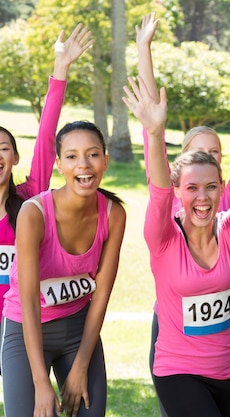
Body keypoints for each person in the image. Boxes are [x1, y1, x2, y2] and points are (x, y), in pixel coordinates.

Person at [124, 17, 230, 417]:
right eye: (193, 184)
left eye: (214, 166)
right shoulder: (164, 225)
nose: (203, 194)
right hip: (177, 356)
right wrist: (153, 125)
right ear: (180, 179)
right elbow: (159, 174)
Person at [1, 117, 126, 417]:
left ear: (105, 161)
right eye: (72, 156)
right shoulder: (34, 214)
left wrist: (81, 365)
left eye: (93, 154)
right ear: (59, 164)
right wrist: (40, 381)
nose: (83, 164)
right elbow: (29, 300)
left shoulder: (114, 214)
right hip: (25, 330)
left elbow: (102, 294)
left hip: (78, 329)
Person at [0, 23, 92, 337]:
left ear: (14, 158)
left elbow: (45, 136)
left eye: (3, 149)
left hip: (25, 326)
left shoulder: (28, 200)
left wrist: (60, 68)